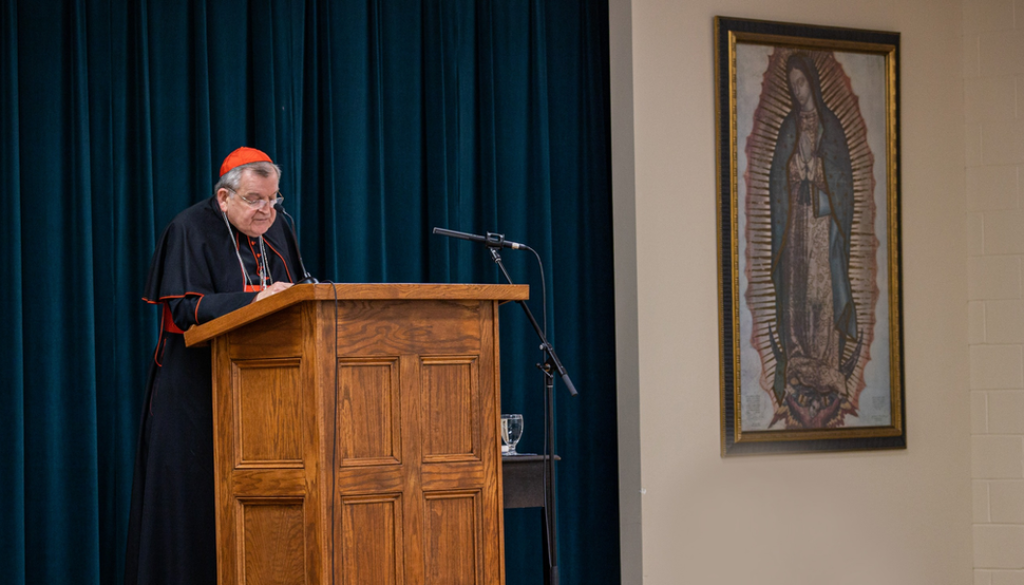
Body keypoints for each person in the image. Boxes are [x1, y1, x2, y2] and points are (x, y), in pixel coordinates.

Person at [124, 147, 302, 585]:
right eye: (256, 200)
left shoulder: (281, 227)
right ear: (224, 197)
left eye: (274, 199)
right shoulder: (189, 228)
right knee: (192, 503)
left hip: (265, 390)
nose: (268, 211)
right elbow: (185, 310)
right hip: (194, 389)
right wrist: (256, 299)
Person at [767, 52, 858, 428]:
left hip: (821, 224)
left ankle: (824, 363)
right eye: (792, 85)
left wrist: (815, 175)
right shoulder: (789, 128)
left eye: (801, 82)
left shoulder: (830, 128)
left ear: (812, 83)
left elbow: (843, 185)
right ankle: (799, 358)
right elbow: (777, 179)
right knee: (797, 293)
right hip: (796, 225)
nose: (797, 90)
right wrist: (795, 175)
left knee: (821, 293)